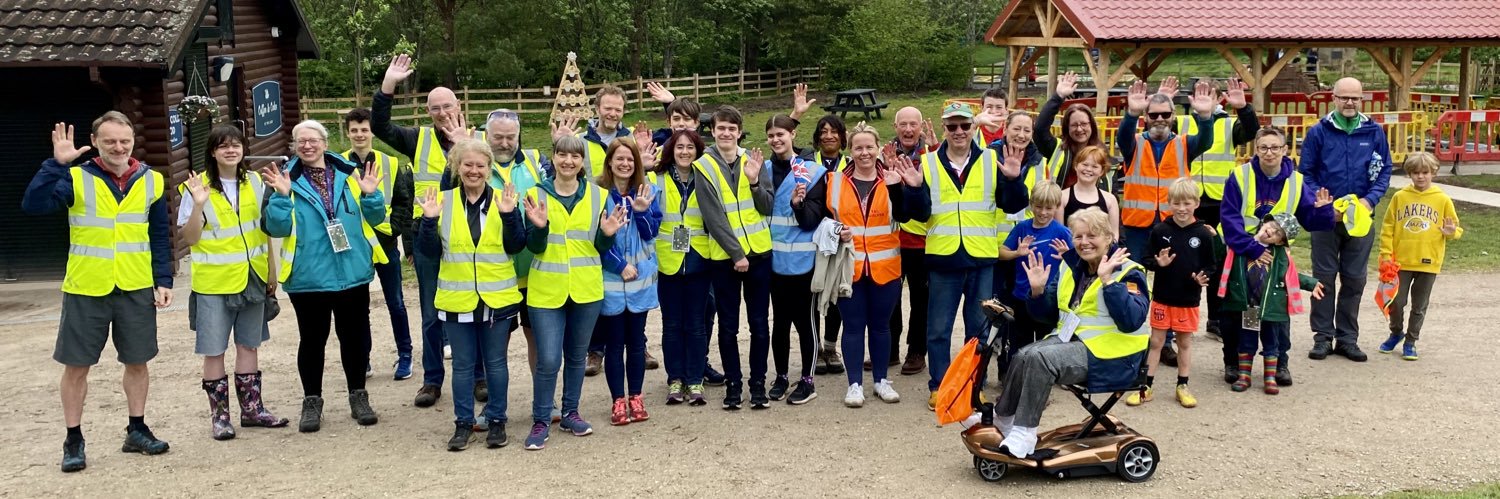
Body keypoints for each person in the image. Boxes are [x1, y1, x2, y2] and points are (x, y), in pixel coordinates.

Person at [22, 113, 174, 472]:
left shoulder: (151, 180)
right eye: (110, 142)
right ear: (95, 141)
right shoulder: (74, 176)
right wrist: (54, 165)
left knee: (138, 362)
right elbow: (33, 205)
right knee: (77, 367)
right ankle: (73, 439)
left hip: (135, 285)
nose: (118, 148)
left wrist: (163, 278)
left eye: (124, 141)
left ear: (133, 141)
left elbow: (159, 234)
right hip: (87, 286)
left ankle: (136, 429)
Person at [373, 54, 486, 408]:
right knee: (431, 308)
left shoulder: (478, 139)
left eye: (447, 105)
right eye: (434, 107)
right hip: (429, 233)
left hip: (472, 233)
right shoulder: (416, 139)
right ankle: (432, 380)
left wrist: (462, 144)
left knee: (477, 306)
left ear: (459, 105)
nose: (442, 113)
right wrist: (388, 85)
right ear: (427, 112)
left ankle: (480, 377)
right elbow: (380, 126)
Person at [261, 120, 387, 432]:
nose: (307, 146)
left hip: (352, 271)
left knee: (354, 338)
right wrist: (279, 196)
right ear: (293, 145)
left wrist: (371, 196)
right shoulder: (284, 179)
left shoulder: (349, 173)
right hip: (308, 275)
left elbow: (376, 217)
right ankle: (312, 402)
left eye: (313, 140)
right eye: (300, 141)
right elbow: (276, 228)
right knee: (313, 341)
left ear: (325, 143)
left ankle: (359, 396)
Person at [793, 123, 931, 408]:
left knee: (881, 326)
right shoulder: (834, 181)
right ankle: (854, 384)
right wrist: (827, 225)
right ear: (850, 150)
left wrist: (902, 187)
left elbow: (912, 215)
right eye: (858, 147)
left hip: (886, 267)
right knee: (853, 327)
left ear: (878, 148)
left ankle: (881, 380)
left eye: (870, 147)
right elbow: (816, 219)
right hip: (848, 268)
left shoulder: (893, 178)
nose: (865, 152)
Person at [996, 207, 1151, 458]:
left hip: (1115, 357)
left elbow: (1131, 320)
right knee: (1023, 354)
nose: (1084, 242)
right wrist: (1036, 291)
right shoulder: (1071, 267)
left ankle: (1024, 433)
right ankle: (1004, 420)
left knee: (1039, 358)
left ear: (1108, 237)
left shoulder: (1128, 271)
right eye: (1078, 236)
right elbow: (1047, 316)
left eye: (1092, 236)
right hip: (1074, 344)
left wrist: (1108, 282)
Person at [413, 140, 527, 450]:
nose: (474, 171)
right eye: (468, 165)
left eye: (480, 166)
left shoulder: (504, 200)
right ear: (457, 168)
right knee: (462, 367)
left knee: (496, 364)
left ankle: (497, 421)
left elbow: (516, 245)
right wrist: (428, 220)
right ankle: (463, 424)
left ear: (489, 169)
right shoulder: (442, 201)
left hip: (497, 297)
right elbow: (428, 251)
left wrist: (509, 215)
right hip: (457, 298)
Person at [179, 125, 289, 440]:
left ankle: (252, 410)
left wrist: (271, 270)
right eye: (223, 146)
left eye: (236, 145)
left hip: (252, 278)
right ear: (212, 152)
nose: (231, 150)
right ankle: (220, 418)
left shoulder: (256, 182)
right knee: (214, 351)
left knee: (248, 346)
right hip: (213, 282)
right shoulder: (195, 186)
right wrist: (198, 204)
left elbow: (263, 230)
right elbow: (189, 238)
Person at [521, 134, 629, 450]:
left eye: (575, 156)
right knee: (549, 359)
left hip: (586, 289)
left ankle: (571, 411)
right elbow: (534, 247)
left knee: (577, 356)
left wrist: (607, 235)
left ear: (582, 162)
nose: (568, 161)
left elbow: (600, 246)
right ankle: (541, 419)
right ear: (553, 158)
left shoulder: (598, 195)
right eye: (562, 155)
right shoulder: (534, 193)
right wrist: (539, 228)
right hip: (546, 290)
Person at [921, 102, 1030, 410]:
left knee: (978, 331)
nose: (958, 132)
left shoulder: (991, 161)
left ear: (973, 128)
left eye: (964, 126)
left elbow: (1011, 204)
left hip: (981, 260)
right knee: (939, 329)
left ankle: (973, 386)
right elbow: (917, 209)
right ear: (944, 128)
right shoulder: (928, 163)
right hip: (943, 260)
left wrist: (1012, 178)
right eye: (952, 126)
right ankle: (939, 385)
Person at [1218, 127, 1336, 387]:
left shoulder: (1296, 180)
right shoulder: (1240, 176)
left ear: (1285, 150)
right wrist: (1254, 249)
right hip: (1241, 255)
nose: (1269, 152)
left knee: (1276, 313)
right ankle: (1235, 363)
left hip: (1277, 259)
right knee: (1237, 313)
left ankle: (1279, 363)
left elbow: (1309, 219)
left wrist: (1325, 211)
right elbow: (1229, 219)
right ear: (1256, 149)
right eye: (1263, 147)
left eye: (1275, 147)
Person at [1299, 77, 1393, 363]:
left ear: (1362, 99)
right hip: (1326, 218)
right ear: (1334, 98)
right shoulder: (1319, 132)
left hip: (1361, 220)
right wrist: (1323, 202)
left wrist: (1369, 200)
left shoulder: (1373, 131)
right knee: (1324, 278)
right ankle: (1322, 338)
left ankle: (1347, 338)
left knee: (1354, 279)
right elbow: (1306, 173)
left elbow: (1385, 170)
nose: (1349, 102)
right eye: (1344, 97)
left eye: (1355, 98)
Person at [694, 105, 775, 410]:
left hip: (759, 255)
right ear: (712, 131)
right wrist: (736, 253)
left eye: (732, 128)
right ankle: (734, 385)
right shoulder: (703, 167)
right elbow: (713, 218)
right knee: (728, 326)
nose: (726, 133)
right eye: (720, 128)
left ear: (739, 132)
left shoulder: (754, 161)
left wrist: (755, 182)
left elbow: (768, 206)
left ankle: (757, 385)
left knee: (759, 324)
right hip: (726, 260)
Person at [343, 108, 415, 381]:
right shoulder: (338, 165)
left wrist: (394, 229)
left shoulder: (391, 163)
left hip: (385, 243)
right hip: (354, 246)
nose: (360, 135)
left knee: (395, 302)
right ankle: (364, 358)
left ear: (372, 131)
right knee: (358, 306)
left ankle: (405, 356)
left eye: (364, 129)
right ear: (348, 133)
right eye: (355, 130)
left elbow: (403, 202)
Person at [1129, 178, 1215, 408]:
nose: (1182, 208)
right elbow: (1146, 259)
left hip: (1188, 300)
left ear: (1196, 203)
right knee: (1156, 342)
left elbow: (1211, 266)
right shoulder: (1160, 230)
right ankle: (1146, 387)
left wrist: (1202, 277)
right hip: (1162, 297)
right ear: (1169, 203)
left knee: (1184, 343)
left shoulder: (1204, 234)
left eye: (1187, 203)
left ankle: (1182, 385)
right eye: (1176, 203)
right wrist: (1159, 263)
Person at [596, 138, 663, 424]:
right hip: (611, 280)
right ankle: (617, 400)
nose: (625, 164)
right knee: (614, 344)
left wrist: (641, 210)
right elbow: (596, 239)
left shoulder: (647, 191)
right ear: (609, 162)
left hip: (640, 282)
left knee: (636, 342)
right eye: (619, 158)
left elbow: (650, 233)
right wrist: (619, 265)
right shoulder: (597, 195)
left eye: (630, 159)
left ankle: (635, 396)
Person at [1117, 77, 1219, 261]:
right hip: (1136, 225)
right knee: (1134, 275)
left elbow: (1206, 141)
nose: (1160, 119)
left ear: (1173, 115)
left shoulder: (1185, 144)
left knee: (1173, 274)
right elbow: (1123, 137)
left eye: (1165, 114)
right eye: (1154, 115)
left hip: (1174, 223)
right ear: (1146, 117)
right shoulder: (1134, 144)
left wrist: (1205, 117)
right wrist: (1132, 113)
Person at [485, 109, 553, 381]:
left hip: (534, 271)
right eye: (498, 137)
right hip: (494, 274)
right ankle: (495, 404)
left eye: (510, 137)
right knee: (494, 345)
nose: (504, 143)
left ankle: (544, 400)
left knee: (537, 340)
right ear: (486, 135)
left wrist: (560, 143)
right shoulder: (476, 164)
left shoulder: (537, 161)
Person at [652, 129, 717, 406]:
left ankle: (694, 379)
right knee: (672, 325)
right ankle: (675, 379)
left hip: (699, 261)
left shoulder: (706, 178)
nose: (685, 152)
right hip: (668, 262)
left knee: (696, 325)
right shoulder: (658, 179)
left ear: (698, 151)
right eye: (679, 147)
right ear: (671, 150)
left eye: (690, 147)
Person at [1377, 152, 1462, 361]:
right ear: (1409, 174)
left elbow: (1455, 229)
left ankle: (1411, 341)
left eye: (1425, 172)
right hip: (1401, 261)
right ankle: (1396, 332)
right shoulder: (1400, 197)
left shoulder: (1442, 199)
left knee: (1419, 305)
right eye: (1415, 173)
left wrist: (1451, 232)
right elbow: (1388, 227)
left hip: (1429, 261)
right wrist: (1386, 254)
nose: (1420, 177)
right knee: (1396, 301)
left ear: (1433, 173)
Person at [1229, 213, 1326, 394]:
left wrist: (1310, 283)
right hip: (1250, 305)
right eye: (1272, 225)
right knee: (1247, 340)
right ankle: (1244, 376)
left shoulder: (1280, 255)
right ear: (1266, 222)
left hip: (1272, 308)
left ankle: (1270, 378)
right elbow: (1227, 262)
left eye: (1277, 233)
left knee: (1271, 342)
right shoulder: (1243, 245)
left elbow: (1290, 276)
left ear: (1280, 242)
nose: (1271, 231)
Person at [765, 114, 824, 406]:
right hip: (774, 263)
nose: (776, 140)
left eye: (781, 134)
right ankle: (782, 377)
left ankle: (808, 380)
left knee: (806, 324)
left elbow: (812, 219)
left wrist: (798, 206)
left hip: (803, 264)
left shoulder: (812, 172)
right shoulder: (761, 169)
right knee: (780, 324)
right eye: (771, 135)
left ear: (792, 136)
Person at [996, 182, 1073, 375]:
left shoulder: (1062, 233)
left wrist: (1067, 256)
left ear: (1057, 207)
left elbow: (1080, 263)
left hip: (1049, 299)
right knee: (1018, 343)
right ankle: (1012, 378)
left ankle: (1040, 382)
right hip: (1021, 296)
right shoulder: (1022, 228)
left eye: (1049, 208)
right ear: (1031, 204)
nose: (1043, 212)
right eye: (1038, 206)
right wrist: (1016, 253)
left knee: (1044, 345)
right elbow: (1001, 253)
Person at [888, 106, 939, 376]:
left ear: (920, 127)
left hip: (923, 241)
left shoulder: (933, 154)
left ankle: (917, 350)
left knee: (921, 301)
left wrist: (935, 148)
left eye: (913, 125)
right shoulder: (884, 154)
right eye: (903, 124)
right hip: (891, 241)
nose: (908, 130)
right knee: (890, 298)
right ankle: (890, 348)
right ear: (895, 127)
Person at [804, 114, 853, 375]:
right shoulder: (808, 163)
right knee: (814, 290)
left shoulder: (851, 163)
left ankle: (830, 347)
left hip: (840, 234)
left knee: (836, 293)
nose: (828, 136)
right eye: (823, 131)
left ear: (842, 136)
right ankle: (814, 349)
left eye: (834, 131)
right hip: (811, 234)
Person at [1035, 72, 1106, 188]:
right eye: (1074, 125)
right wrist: (1058, 97)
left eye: (1083, 124)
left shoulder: (1101, 151)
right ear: (1067, 128)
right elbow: (1039, 129)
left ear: (1091, 125)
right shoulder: (1057, 149)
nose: (1079, 129)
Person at [1060, 145, 1119, 233]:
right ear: (1076, 166)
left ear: (1102, 171)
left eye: (1094, 167)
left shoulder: (1110, 200)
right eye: (1085, 164)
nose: (1088, 169)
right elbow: (1059, 233)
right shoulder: (1062, 197)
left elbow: (1114, 234)